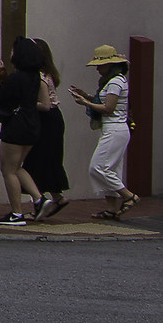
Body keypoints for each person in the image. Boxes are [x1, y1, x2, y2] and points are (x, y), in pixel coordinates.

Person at [68, 44, 136, 219]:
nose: (98, 69)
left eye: (100, 65)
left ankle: (128, 196)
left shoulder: (115, 81)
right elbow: (106, 101)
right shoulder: (114, 80)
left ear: (110, 64)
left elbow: (108, 108)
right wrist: (87, 96)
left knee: (98, 168)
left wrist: (85, 103)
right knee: (111, 169)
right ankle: (112, 209)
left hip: (114, 129)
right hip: (113, 129)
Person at [0, 38, 47, 226]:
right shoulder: (35, 77)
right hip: (32, 124)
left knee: (7, 170)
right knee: (17, 166)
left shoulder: (17, 78)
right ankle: (39, 199)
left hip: (16, 126)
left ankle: (17, 213)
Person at [23, 38, 71, 221]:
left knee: (37, 159)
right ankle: (57, 197)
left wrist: (25, 103)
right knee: (49, 158)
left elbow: (45, 105)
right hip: (52, 120)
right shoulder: (47, 73)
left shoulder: (39, 77)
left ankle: (39, 202)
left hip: (46, 120)